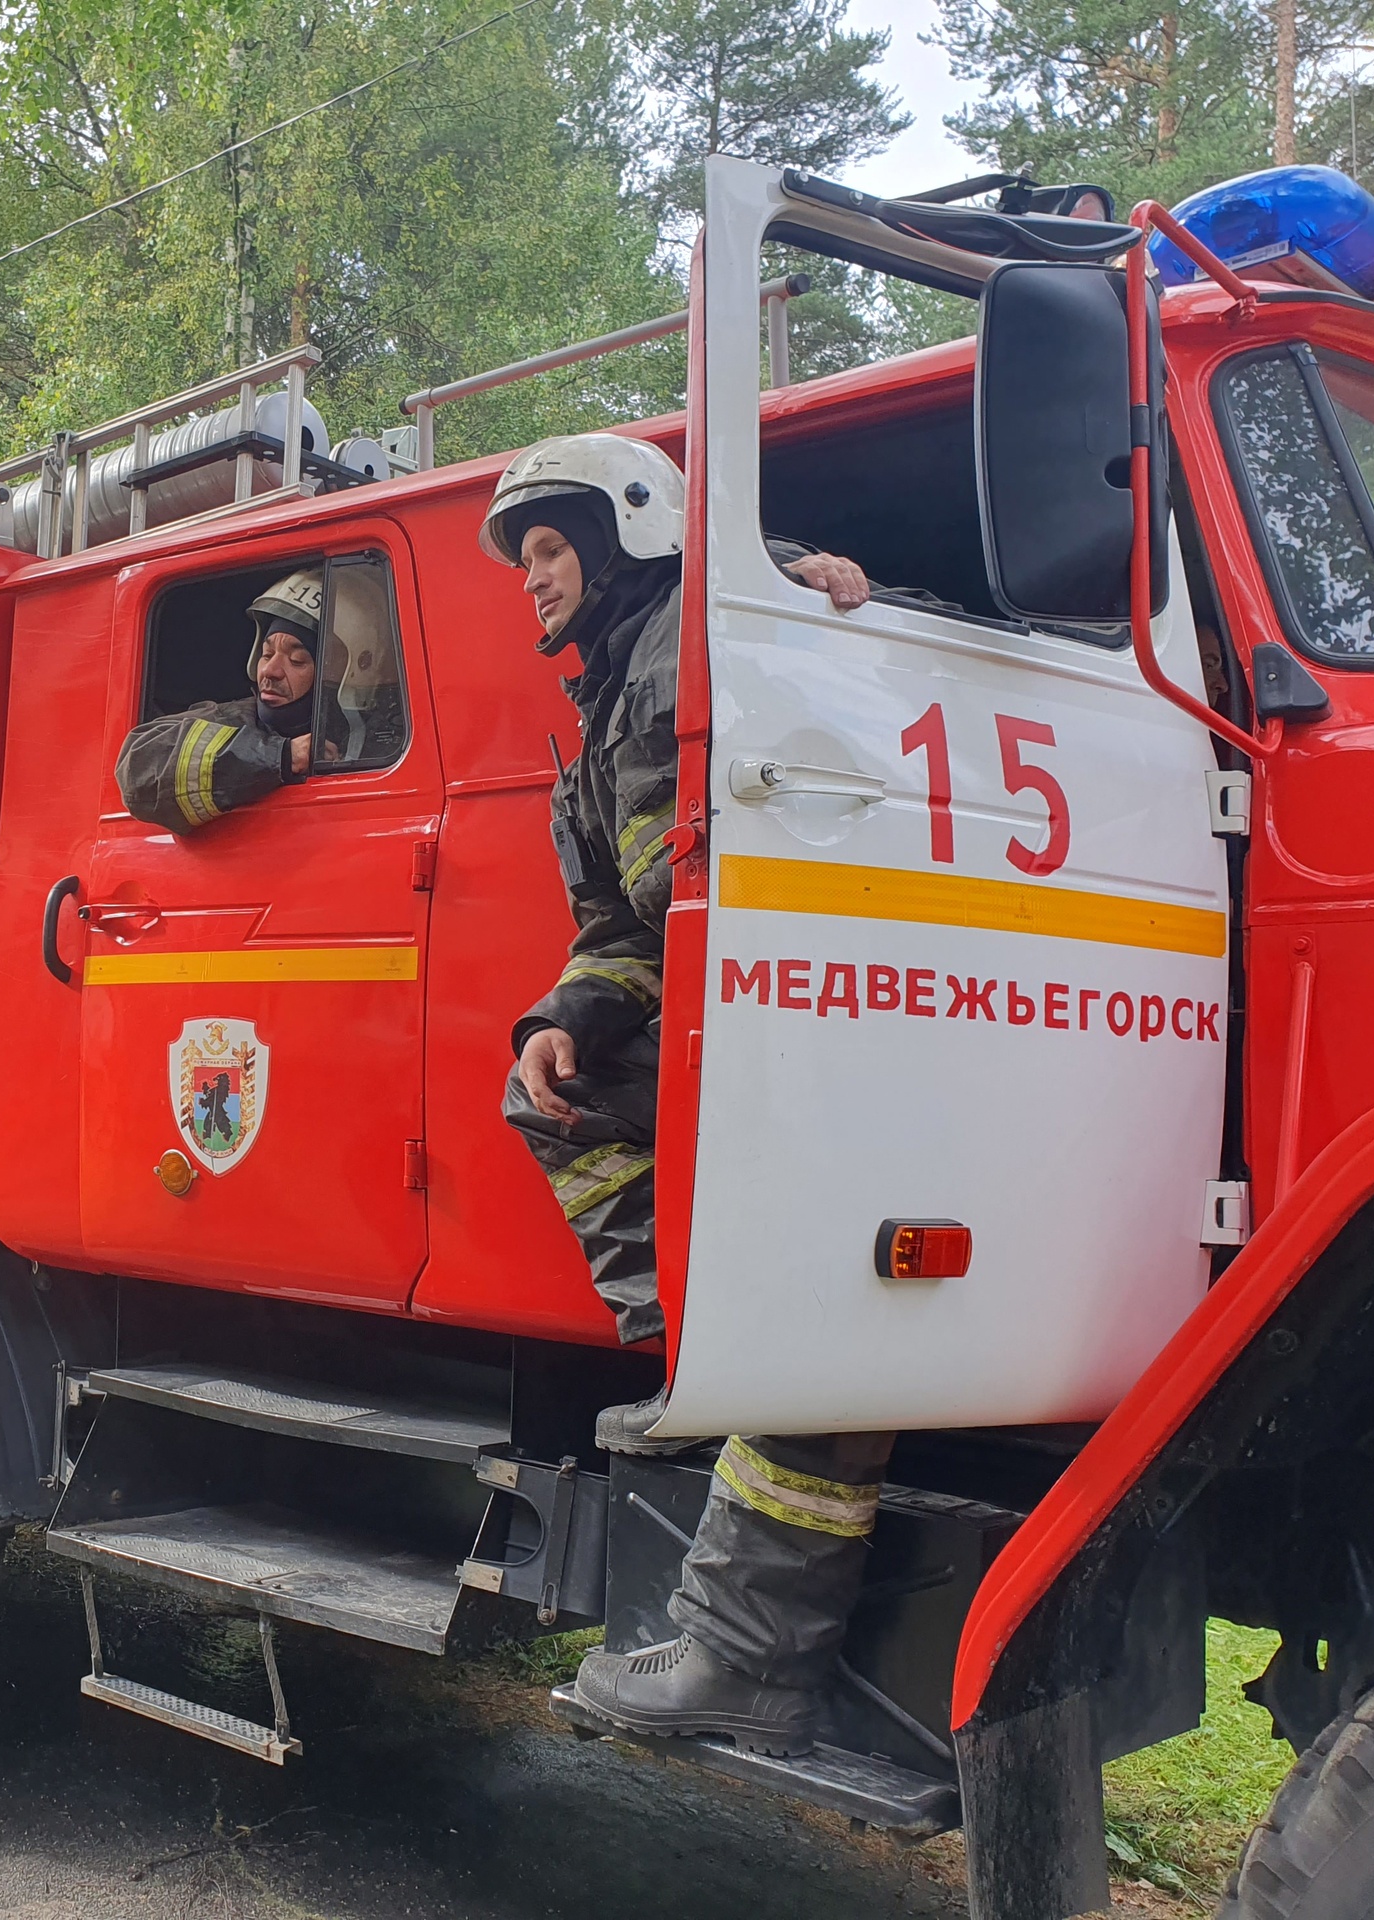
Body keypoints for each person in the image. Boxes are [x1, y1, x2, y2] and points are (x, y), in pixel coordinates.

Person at [483, 432, 897, 1758]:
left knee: (811, 1295)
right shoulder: (603, 716)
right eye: (527, 556)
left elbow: (765, 605)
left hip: (818, 1005)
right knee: (547, 1088)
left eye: (554, 547)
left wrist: (809, 573)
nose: (533, 576)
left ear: (630, 534)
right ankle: (689, 1335)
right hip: (723, 994)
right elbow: (621, 924)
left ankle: (727, 1352)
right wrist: (566, 1017)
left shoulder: (692, 631)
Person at [118, 568, 329, 832]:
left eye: (296, 660)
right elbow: (137, 768)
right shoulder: (231, 719)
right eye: (266, 654)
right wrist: (281, 757)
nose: (270, 671)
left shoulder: (380, 739)